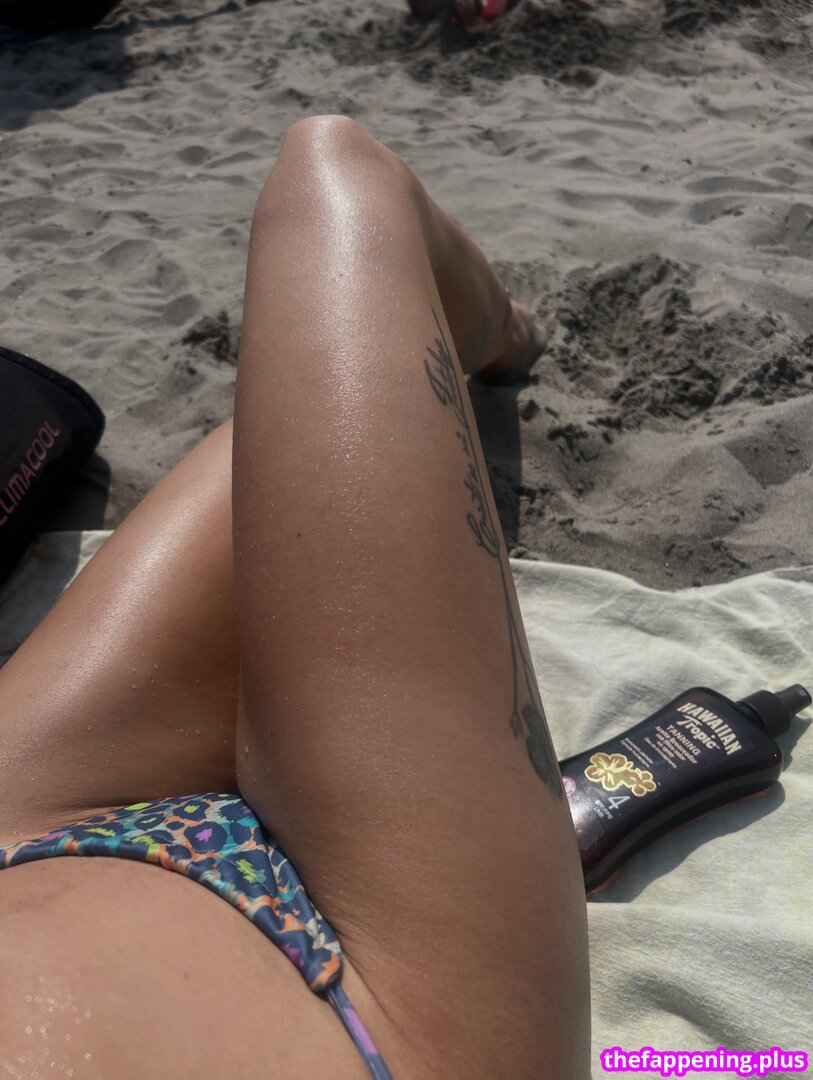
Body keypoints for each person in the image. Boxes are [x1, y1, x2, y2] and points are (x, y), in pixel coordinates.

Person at [0, 116, 591, 1079]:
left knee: (302, 406)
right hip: (388, 1018)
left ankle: (474, 344)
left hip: (25, 838)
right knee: (338, 178)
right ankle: (504, 334)